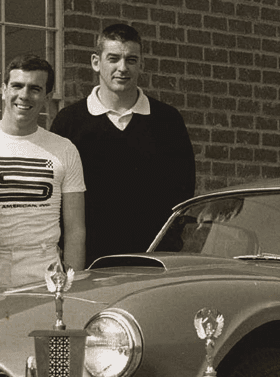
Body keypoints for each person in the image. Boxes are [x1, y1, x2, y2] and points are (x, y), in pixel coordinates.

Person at [51, 23, 196, 266]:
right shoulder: (69, 122)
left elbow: (183, 189)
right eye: (114, 58)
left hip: (153, 260)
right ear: (96, 62)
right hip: (88, 261)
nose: (122, 68)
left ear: (141, 64)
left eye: (131, 59)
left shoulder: (167, 120)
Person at [0, 54, 85, 285]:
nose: (24, 95)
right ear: (3, 90)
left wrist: (73, 284)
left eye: (34, 88)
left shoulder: (64, 149)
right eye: (17, 86)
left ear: (47, 96)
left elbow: (75, 229)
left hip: (42, 267)